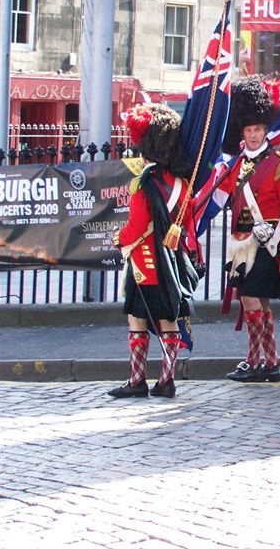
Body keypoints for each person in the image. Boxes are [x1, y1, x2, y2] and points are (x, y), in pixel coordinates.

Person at [220, 76, 280, 384]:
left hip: (268, 240)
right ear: (242, 133)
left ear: (265, 130)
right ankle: (270, 362)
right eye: (249, 130)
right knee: (256, 302)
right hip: (241, 241)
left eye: (258, 129)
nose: (254, 134)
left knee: (251, 299)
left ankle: (254, 359)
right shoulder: (235, 166)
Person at [109, 104, 199, 399]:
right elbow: (188, 223)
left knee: (137, 318)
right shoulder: (182, 184)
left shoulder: (143, 183)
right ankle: (167, 379)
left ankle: (137, 380)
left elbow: (135, 227)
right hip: (171, 262)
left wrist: (117, 240)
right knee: (167, 318)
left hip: (145, 264)